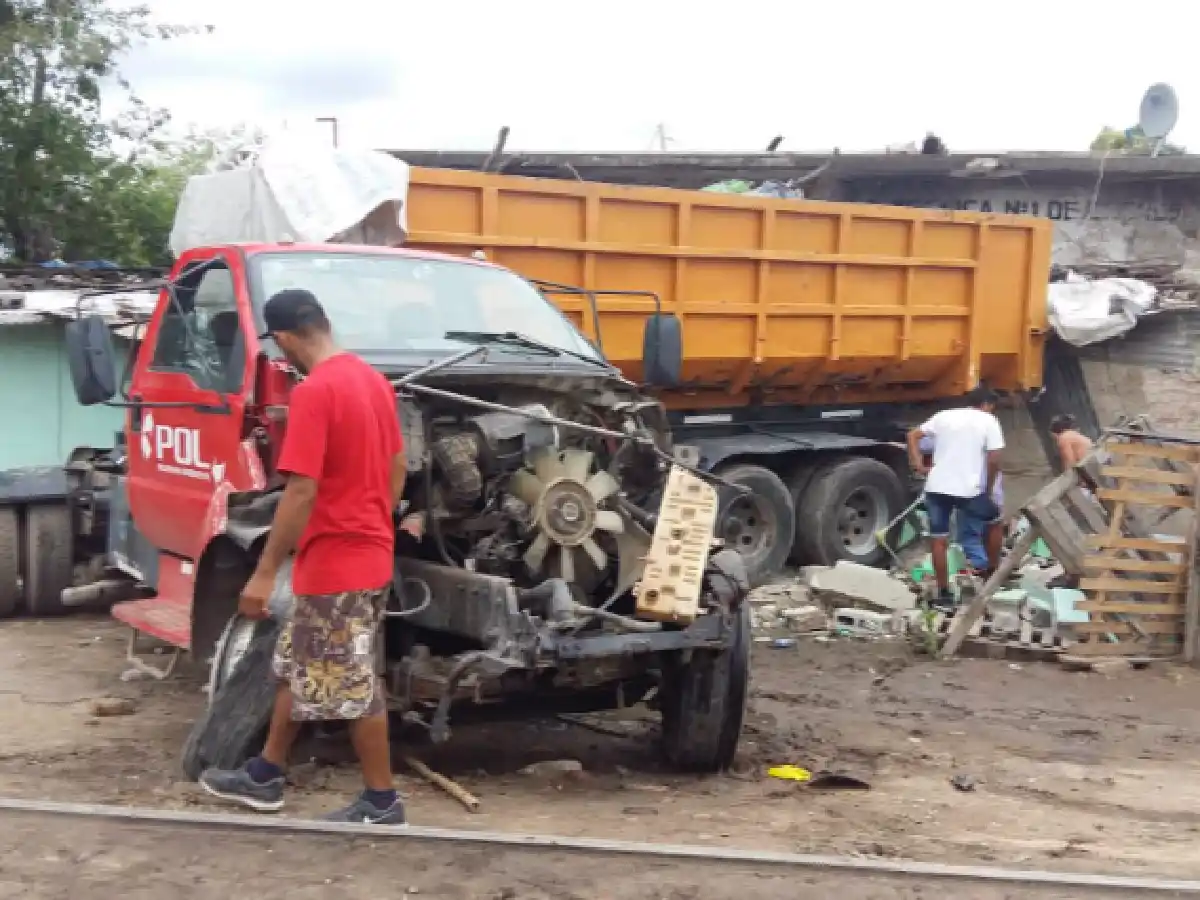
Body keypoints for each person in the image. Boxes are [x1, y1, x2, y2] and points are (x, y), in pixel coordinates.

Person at [199, 289, 409, 825]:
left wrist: (264, 573)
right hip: (364, 555)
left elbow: (300, 491)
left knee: (352, 684)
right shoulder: (374, 382)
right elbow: (398, 466)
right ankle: (266, 774)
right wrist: (374, 523)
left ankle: (382, 802)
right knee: (296, 664)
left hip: (338, 562)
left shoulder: (315, 392)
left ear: (286, 339)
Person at [907, 386, 1005, 610]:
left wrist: (918, 464)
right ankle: (992, 573)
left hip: (936, 488)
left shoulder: (944, 416)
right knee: (995, 521)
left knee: (939, 540)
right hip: (968, 490)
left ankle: (943, 594)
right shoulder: (988, 421)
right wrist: (988, 488)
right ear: (988, 405)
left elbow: (912, 435)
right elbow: (994, 459)